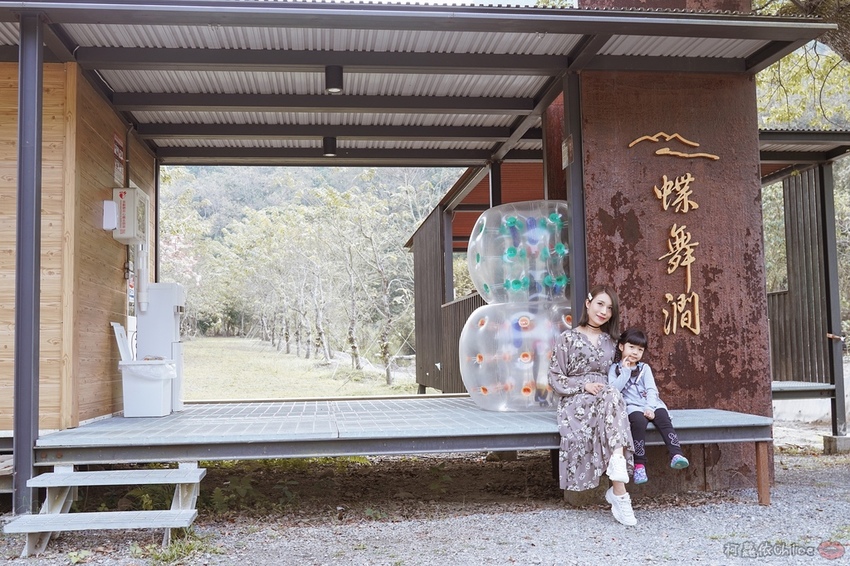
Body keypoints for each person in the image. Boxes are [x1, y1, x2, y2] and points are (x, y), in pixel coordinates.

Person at [548, 284, 637, 526]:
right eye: (600, 304)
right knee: (612, 399)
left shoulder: (612, 342)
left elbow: (619, 375)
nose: (604, 311)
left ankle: (619, 485)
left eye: (609, 308)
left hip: (607, 398)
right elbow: (555, 377)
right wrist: (583, 386)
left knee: (613, 396)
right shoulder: (567, 338)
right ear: (588, 303)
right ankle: (619, 489)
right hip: (577, 400)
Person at [607, 327, 689, 485]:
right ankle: (639, 465)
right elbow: (614, 391)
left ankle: (676, 454)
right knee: (637, 422)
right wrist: (624, 372)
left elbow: (652, 390)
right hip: (631, 406)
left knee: (664, 418)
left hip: (651, 404)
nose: (635, 352)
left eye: (640, 349)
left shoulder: (644, 369)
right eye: (631, 347)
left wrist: (651, 407)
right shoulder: (614, 369)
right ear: (621, 346)